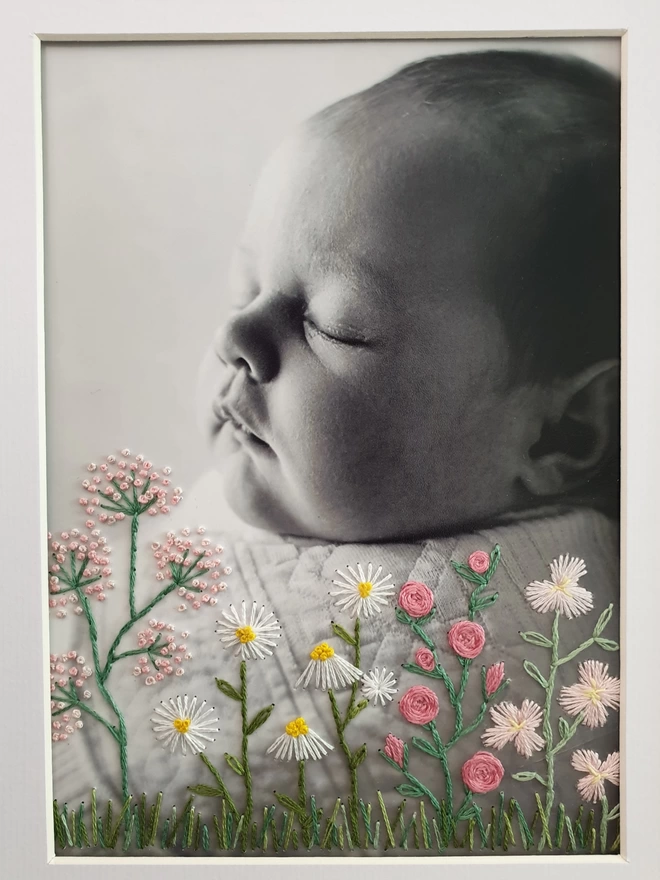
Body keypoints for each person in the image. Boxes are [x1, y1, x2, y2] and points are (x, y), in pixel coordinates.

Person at [55, 50, 621, 854]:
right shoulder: (326, 494)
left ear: (566, 431)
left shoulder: (489, 693)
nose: (235, 336)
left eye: (336, 324)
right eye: (242, 284)